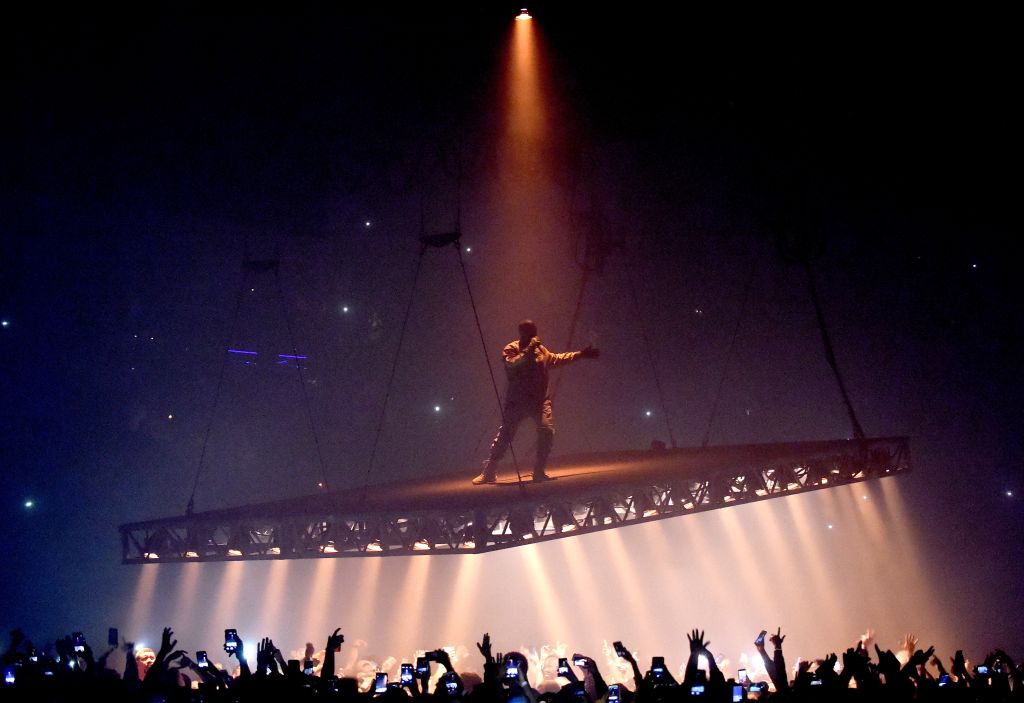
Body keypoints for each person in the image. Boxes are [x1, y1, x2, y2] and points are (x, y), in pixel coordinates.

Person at [473, 320, 599, 484]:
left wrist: (580, 354)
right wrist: (529, 349)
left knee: (546, 431)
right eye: (529, 331)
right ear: (522, 332)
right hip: (517, 402)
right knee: (505, 436)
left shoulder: (541, 350)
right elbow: (512, 365)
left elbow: (555, 359)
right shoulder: (511, 348)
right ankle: (489, 471)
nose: (533, 335)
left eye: (534, 331)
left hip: (540, 402)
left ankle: (538, 471)